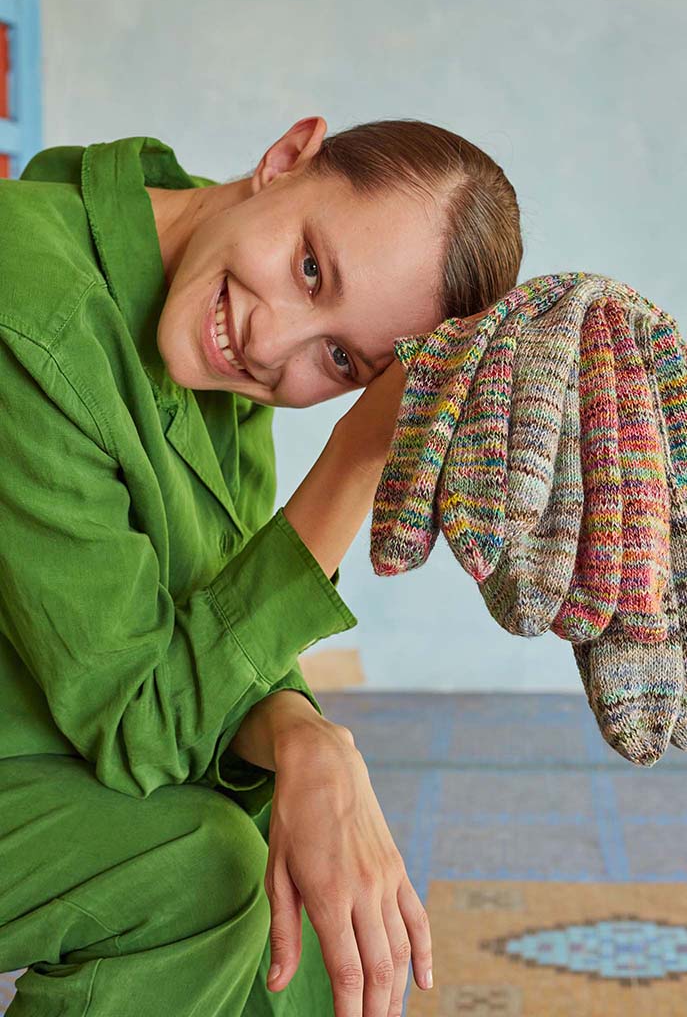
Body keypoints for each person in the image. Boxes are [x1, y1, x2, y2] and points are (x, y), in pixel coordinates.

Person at [0, 114, 523, 1016]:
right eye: (312, 268)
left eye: (341, 357)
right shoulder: (33, 309)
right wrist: (359, 456)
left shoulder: (197, 309)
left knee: (305, 861)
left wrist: (308, 741)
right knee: (201, 870)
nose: (271, 342)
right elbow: (143, 721)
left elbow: (207, 625)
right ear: (286, 161)